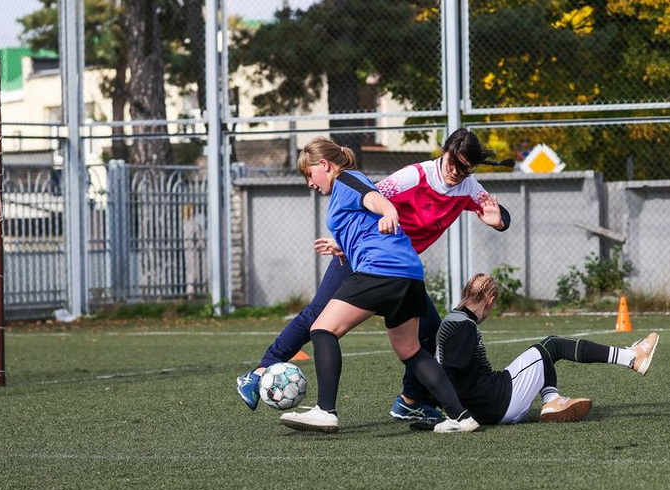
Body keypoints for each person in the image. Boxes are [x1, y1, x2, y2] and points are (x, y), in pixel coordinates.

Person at [237, 128, 512, 422]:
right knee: (317, 317)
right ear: (443, 154)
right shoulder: (413, 176)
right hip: (365, 255)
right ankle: (260, 372)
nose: (455, 173)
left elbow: (499, 214)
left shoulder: (469, 186)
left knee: (429, 332)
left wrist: (498, 222)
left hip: (393, 262)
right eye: (451, 164)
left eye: (464, 169)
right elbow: (370, 197)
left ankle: (410, 401)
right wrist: (346, 239)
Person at [276, 136, 480, 434]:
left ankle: (325, 411)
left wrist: (388, 211)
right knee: (410, 349)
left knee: (322, 329)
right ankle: (461, 417)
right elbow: (363, 226)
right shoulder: (343, 189)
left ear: (324, 165)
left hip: (381, 269)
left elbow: (374, 198)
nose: (310, 182)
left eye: (309, 174)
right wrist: (342, 247)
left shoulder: (346, 179)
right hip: (408, 272)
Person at [429, 273, 659, 426]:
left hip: (489, 404)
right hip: (497, 402)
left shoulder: (454, 318)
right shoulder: (463, 327)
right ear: (489, 300)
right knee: (552, 345)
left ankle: (553, 400)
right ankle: (631, 358)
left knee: (541, 355)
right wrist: (456, 416)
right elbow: (448, 374)